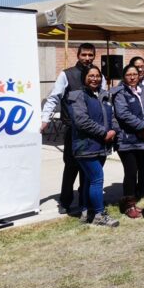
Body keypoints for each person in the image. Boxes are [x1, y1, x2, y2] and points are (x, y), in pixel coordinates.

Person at [41, 43, 105, 214]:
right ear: (78, 55)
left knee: (89, 169)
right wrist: (45, 119)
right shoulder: (67, 74)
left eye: (90, 55)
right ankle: (65, 201)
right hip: (73, 129)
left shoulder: (98, 75)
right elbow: (54, 97)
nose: (87, 58)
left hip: (93, 130)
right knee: (71, 167)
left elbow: (103, 98)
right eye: (84, 55)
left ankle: (86, 202)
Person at [66, 65, 118, 227]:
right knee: (97, 179)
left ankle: (85, 210)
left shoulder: (104, 95)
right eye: (91, 75)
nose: (95, 78)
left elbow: (112, 117)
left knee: (89, 180)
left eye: (97, 75)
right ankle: (98, 214)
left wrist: (114, 130)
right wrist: (104, 133)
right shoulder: (77, 96)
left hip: (101, 146)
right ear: (84, 78)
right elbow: (81, 121)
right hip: (85, 146)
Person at [113, 64, 144, 219]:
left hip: (143, 138)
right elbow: (122, 113)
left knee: (142, 168)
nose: (132, 77)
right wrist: (142, 127)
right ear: (124, 77)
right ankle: (128, 204)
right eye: (128, 74)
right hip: (127, 139)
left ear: (139, 76)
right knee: (131, 172)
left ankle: (138, 197)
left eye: (135, 74)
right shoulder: (120, 93)